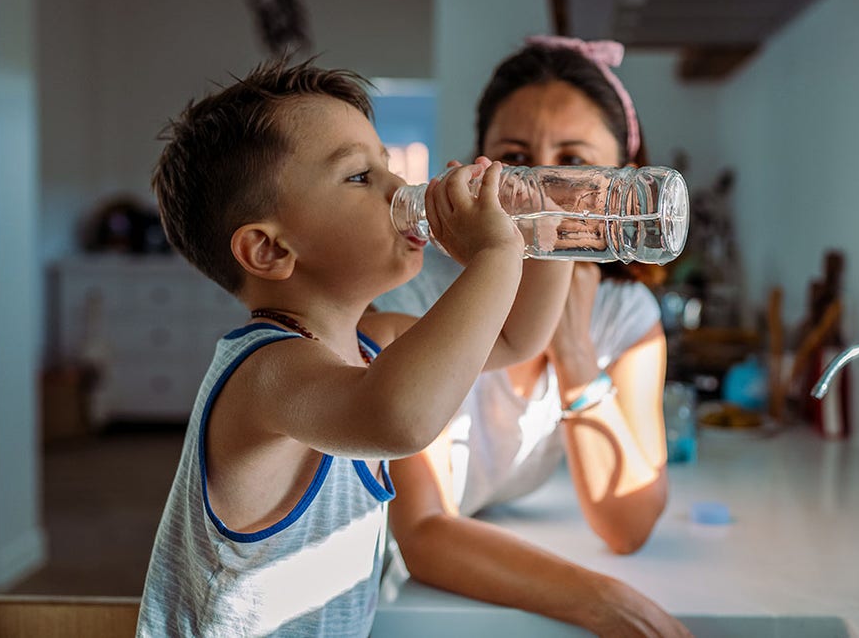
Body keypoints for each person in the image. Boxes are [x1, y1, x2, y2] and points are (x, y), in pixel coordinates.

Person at [135, 58, 572, 636]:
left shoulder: (375, 341)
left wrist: (548, 229)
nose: (399, 188)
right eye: (359, 177)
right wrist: (493, 258)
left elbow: (518, 336)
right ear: (270, 251)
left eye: (385, 163)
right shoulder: (266, 374)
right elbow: (400, 419)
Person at [368, 37, 689, 637]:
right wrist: (605, 602)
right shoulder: (411, 298)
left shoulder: (625, 317)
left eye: (572, 163)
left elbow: (627, 524)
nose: (542, 190)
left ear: (620, 181)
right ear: (478, 166)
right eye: (516, 158)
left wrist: (574, 353)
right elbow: (422, 534)